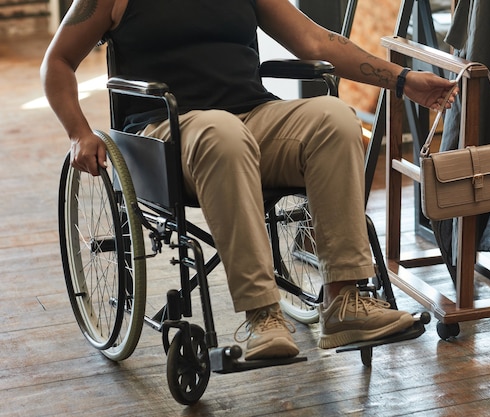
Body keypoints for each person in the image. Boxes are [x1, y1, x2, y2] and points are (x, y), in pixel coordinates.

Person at [41, 0, 457, 360]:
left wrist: (402, 81)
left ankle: (343, 302)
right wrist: (79, 132)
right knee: (222, 132)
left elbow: (316, 42)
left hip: (250, 118)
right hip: (166, 132)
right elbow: (57, 61)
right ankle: (263, 315)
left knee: (334, 119)